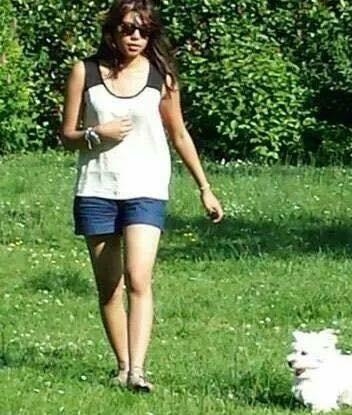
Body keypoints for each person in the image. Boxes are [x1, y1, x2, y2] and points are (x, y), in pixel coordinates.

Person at [61, 0, 224, 393]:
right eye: (128, 29)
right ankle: (122, 366)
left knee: (138, 277)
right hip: (97, 189)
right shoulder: (85, 71)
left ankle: (138, 371)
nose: (135, 37)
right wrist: (96, 134)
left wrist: (205, 188)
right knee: (109, 287)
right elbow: (67, 136)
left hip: (147, 188)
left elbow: (179, 133)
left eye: (144, 31)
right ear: (112, 31)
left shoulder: (160, 76)